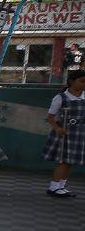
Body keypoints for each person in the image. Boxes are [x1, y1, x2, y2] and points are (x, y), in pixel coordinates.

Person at [43, 69, 85, 198]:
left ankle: (62, 186)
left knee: (70, 161)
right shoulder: (61, 97)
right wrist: (57, 128)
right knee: (63, 161)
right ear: (72, 81)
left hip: (80, 133)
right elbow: (50, 117)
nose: (84, 84)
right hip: (65, 132)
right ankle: (53, 187)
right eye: (82, 81)